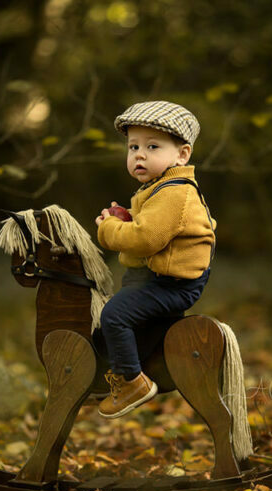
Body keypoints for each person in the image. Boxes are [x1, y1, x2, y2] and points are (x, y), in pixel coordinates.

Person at [94, 100, 216, 419]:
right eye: (133, 146)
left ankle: (132, 381)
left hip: (172, 284)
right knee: (124, 304)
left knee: (115, 315)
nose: (140, 154)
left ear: (182, 154)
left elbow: (146, 238)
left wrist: (109, 229)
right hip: (160, 278)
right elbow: (150, 224)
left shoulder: (175, 193)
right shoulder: (159, 188)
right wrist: (126, 216)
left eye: (152, 146)